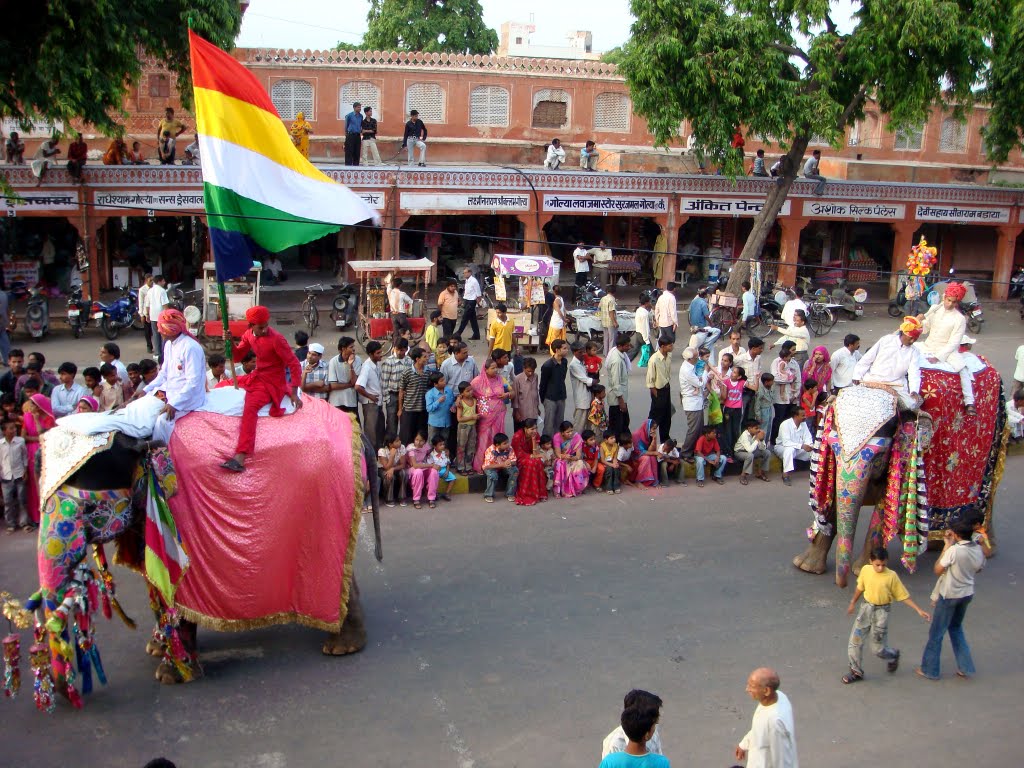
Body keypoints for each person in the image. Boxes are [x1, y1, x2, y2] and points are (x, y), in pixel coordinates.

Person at [220, 306, 302, 472]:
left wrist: (294, 392)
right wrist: (230, 342)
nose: (264, 329)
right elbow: (236, 357)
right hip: (257, 376)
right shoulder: (248, 335)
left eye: (266, 325)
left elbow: (294, 364)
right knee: (221, 385)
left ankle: (241, 456)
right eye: (260, 327)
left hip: (272, 383)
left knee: (249, 409)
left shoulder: (277, 339)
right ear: (251, 325)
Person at [843, 547, 930, 684]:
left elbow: (902, 596)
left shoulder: (891, 576)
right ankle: (856, 671)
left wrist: (918, 609)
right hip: (866, 609)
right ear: (871, 561)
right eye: (877, 565)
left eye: (883, 565)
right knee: (855, 642)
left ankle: (893, 655)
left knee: (877, 649)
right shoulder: (865, 570)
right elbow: (860, 587)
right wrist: (853, 602)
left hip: (881, 613)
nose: (880, 568)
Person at [917, 521, 986, 680]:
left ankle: (930, 669)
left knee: (936, 632)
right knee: (955, 628)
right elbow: (980, 567)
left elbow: (937, 569)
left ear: (956, 534)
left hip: (949, 595)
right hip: (967, 593)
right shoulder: (977, 548)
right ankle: (965, 667)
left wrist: (946, 546)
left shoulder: (954, 551)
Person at [139, 309, 207, 444]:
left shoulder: (190, 347)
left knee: (161, 421)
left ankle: (163, 454)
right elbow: (164, 373)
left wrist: (174, 404)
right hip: (172, 393)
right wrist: (146, 390)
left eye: (160, 328)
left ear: (170, 329)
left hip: (189, 399)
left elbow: (193, 382)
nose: (158, 331)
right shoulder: (169, 344)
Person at [916, 282, 975, 413]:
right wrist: (919, 322)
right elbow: (926, 329)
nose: (950, 304)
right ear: (944, 297)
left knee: (963, 369)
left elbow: (954, 342)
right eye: (949, 300)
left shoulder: (959, 319)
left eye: (954, 302)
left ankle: (969, 402)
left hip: (947, 351)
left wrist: (938, 357)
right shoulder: (935, 309)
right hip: (928, 345)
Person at [852, 318, 925, 410]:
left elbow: (914, 372)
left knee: (910, 406)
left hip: (896, 385)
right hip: (872, 380)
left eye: (915, 339)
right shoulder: (886, 340)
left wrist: (914, 391)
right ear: (903, 333)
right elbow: (867, 359)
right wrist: (857, 375)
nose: (912, 341)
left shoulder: (914, 351)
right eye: (911, 338)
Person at [736, 668, 798, 768]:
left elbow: (782, 758)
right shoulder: (779, 697)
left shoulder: (775, 721)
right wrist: (744, 744)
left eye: (752, 686)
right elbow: (759, 728)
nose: (747, 689)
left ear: (766, 691)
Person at [471, 358, 511, 474]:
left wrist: (507, 394)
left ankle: (497, 466)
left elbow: (512, 392)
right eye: (492, 368)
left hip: (499, 415)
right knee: (484, 440)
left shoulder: (501, 379)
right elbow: (467, 393)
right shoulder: (477, 382)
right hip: (485, 417)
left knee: (496, 439)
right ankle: (481, 465)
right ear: (485, 369)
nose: (495, 370)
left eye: (496, 368)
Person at [599, 703, 669, 768]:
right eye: (654, 725)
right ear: (647, 735)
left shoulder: (609, 762)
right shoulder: (661, 763)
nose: (655, 728)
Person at [22, 393, 56, 528]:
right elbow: (24, 436)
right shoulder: (26, 417)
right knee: (33, 484)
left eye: (33, 404)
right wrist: (39, 439)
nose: (31, 407)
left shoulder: (49, 418)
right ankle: (36, 516)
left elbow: (46, 435)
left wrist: (37, 421)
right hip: (31, 452)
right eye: (30, 404)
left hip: (47, 451)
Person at [398, 347, 431, 445]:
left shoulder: (428, 372)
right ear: (417, 359)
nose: (427, 358)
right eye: (424, 357)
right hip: (409, 409)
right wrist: (400, 409)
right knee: (407, 436)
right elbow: (401, 391)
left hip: (423, 410)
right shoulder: (407, 372)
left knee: (421, 435)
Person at [770, 342, 801, 443]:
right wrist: (790, 380)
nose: (795, 352)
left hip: (792, 398)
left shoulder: (794, 363)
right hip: (780, 398)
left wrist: (795, 395)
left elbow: (798, 380)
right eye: (793, 350)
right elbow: (776, 378)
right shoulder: (776, 362)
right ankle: (774, 441)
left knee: (789, 421)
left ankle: (787, 441)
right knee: (779, 419)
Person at [511, 418, 547, 505]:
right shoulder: (517, 436)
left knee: (537, 461)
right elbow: (518, 454)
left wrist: (534, 440)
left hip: (531, 455)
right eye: (532, 429)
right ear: (525, 429)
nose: (535, 431)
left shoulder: (536, 435)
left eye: (536, 428)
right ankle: (527, 493)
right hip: (519, 458)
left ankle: (539, 493)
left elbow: (536, 452)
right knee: (531, 463)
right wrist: (533, 456)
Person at [774, 406, 814, 486]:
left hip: (798, 449)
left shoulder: (803, 424)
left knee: (814, 452)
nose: (805, 417)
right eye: (802, 415)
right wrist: (802, 446)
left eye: (804, 415)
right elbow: (786, 442)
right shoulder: (785, 424)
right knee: (789, 450)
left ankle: (815, 474)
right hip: (782, 448)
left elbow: (808, 437)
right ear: (796, 416)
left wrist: (810, 446)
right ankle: (785, 475)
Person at [1, 418, 29, 532]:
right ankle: (11, 524)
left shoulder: (20, 441)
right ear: (4, 431)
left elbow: (24, 456)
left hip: (19, 474)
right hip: (6, 476)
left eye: (14, 428)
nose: (13, 430)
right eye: (10, 428)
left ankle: (24, 523)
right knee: (8, 502)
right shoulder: (0, 444)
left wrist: (25, 470)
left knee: (22, 500)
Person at [356, 341, 385, 448]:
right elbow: (358, 386)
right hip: (370, 404)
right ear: (371, 354)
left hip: (377, 403)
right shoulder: (367, 367)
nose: (381, 355)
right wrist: (370, 396)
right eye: (378, 353)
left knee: (379, 430)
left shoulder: (376, 365)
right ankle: (370, 458)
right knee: (371, 433)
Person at [603, 334, 632, 438]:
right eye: (627, 346)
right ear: (620, 346)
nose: (629, 347)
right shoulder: (617, 360)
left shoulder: (619, 354)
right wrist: (621, 401)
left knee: (624, 423)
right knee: (618, 426)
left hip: (620, 398)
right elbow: (616, 382)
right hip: (617, 400)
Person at [539, 340, 569, 439]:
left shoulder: (564, 362)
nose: (567, 350)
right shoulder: (548, 365)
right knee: (549, 425)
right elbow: (542, 385)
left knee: (559, 424)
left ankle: (557, 445)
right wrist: (544, 400)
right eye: (564, 348)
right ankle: (546, 446)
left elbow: (562, 379)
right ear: (557, 350)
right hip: (550, 398)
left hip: (561, 397)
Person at [646, 336, 673, 441]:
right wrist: (656, 395)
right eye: (670, 345)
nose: (672, 347)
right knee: (655, 417)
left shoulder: (669, 356)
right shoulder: (654, 359)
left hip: (667, 388)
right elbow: (650, 381)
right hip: (658, 390)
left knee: (666, 417)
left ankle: (665, 441)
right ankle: (648, 439)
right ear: (662, 346)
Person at [552, 421, 589, 498]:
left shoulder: (577, 437)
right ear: (562, 433)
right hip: (561, 458)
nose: (570, 433)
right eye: (567, 432)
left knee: (580, 463)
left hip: (573, 458)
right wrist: (565, 456)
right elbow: (558, 454)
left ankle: (577, 488)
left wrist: (571, 458)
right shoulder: (557, 437)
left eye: (571, 430)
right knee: (560, 463)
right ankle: (558, 490)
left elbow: (578, 456)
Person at [327, 336, 361, 416]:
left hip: (351, 401)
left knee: (353, 426)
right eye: (351, 347)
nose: (353, 349)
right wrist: (349, 385)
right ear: (343, 349)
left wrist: (351, 366)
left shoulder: (357, 360)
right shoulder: (333, 361)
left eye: (353, 347)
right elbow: (333, 385)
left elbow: (354, 382)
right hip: (336, 401)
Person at [482, 432, 517, 503]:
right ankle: (488, 495)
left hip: (504, 465)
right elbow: (488, 465)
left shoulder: (509, 448)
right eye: (505, 443)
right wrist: (502, 465)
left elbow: (514, 461)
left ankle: (510, 493)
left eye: (508, 442)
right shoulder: (490, 450)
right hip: (492, 466)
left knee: (515, 471)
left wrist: (510, 462)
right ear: (498, 445)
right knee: (493, 475)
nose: (508, 445)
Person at [406, 431, 438, 508]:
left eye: (421, 440)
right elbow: (415, 465)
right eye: (416, 439)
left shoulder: (426, 446)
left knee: (434, 472)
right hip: (413, 469)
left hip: (423, 466)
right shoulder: (411, 449)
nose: (418, 442)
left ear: (425, 441)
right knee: (418, 472)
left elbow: (429, 453)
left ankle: (431, 498)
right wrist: (431, 465)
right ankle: (416, 499)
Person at [568, 342, 595, 434]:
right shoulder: (574, 365)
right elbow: (587, 380)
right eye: (580, 352)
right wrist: (595, 381)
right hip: (581, 399)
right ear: (574, 353)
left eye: (584, 352)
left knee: (589, 425)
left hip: (588, 396)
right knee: (579, 426)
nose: (583, 354)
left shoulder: (583, 361)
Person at [721, 365, 746, 459]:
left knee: (734, 431)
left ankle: (734, 452)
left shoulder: (742, 383)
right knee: (729, 431)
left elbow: (755, 388)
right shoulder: (726, 382)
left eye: (735, 372)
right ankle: (729, 452)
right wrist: (722, 387)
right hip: (728, 409)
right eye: (733, 371)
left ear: (739, 376)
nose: (732, 373)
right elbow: (723, 397)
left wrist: (756, 377)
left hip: (737, 410)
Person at [735, 419, 770, 485]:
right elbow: (749, 450)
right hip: (740, 452)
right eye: (756, 428)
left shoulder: (756, 434)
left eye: (759, 428)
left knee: (767, 452)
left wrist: (761, 440)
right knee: (750, 455)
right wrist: (757, 439)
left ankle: (761, 473)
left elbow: (762, 448)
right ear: (749, 428)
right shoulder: (744, 435)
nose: (758, 430)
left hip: (751, 451)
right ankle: (743, 476)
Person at [377, 433, 407, 508]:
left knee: (403, 473)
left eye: (399, 440)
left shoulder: (402, 447)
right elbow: (386, 467)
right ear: (390, 444)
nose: (400, 442)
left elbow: (403, 465)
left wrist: (393, 469)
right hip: (382, 469)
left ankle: (402, 497)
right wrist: (392, 456)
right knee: (390, 476)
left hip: (395, 467)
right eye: (397, 441)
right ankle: (388, 499)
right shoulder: (382, 450)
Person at [511, 357, 540, 432]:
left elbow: (536, 392)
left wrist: (537, 407)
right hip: (522, 412)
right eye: (528, 371)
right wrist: (516, 411)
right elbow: (515, 397)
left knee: (532, 433)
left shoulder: (536, 376)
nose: (530, 373)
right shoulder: (517, 379)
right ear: (524, 368)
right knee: (520, 434)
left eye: (532, 371)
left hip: (533, 412)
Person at [454, 381, 478, 473]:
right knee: (461, 447)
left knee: (471, 447)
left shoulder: (475, 400)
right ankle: (460, 467)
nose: (471, 392)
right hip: (463, 427)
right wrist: (472, 417)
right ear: (461, 393)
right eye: (467, 391)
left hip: (473, 426)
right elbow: (459, 419)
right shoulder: (461, 403)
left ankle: (468, 466)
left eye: (471, 390)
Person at [425, 371, 454, 444]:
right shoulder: (430, 394)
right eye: (441, 381)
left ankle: (442, 455)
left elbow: (452, 402)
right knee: (432, 442)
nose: (444, 382)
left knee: (444, 443)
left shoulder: (449, 391)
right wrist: (438, 401)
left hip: (446, 422)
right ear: (435, 384)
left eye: (444, 379)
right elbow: (429, 408)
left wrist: (454, 406)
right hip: (435, 424)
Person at [145, 275, 170, 361]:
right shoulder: (162, 291)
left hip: (153, 316)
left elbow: (147, 305)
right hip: (161, 316)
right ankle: (164, 353)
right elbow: (165, 305)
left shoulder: (149, 291)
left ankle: (157, 353)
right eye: (163, 281)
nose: (164, 283)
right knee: (164, 335)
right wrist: (168, 316)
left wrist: (147, 315)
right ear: (159, 282)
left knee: (155, 335)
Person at [630, 420, 661, 487]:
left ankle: (654, 481)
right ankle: (638, 481)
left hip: (645, 454)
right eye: (653, 428)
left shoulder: (649, 435)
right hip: (636, 456)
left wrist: (654, 439)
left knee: (652, 457)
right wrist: (654, 453)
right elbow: (640, 452)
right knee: (646, 458)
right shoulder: (636, 435)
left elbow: (651, 450)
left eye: (655, 429)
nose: (653, 431)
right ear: (648, 427)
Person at [455, 267, 482, 340]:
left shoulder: (474, 281)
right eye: (464, 273)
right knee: (473, 319)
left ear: (470, 273)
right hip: (467, 300)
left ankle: (458, 333)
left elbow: (478, 292)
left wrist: (478, 301)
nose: (464, 274)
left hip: (471, 301)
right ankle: (476, 335)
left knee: (465, 318)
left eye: (465, 273)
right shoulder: (467, 281)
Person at [388, 277, 414, 344]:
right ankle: (405, 340)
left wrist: (394, 273)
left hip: (393, 316)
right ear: (400, 285)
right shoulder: (402, 294)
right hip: (401, 315)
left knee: (396, 333)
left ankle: (395, 346)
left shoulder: (389, 292)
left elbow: (389, 284)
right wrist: (413, 296)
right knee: (408, 329)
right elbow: (411, 301)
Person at [630, 292, 654, 362]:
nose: (650, 303)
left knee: (635, 350)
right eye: (649, 302)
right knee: (652, 353)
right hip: (643, 335)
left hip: (638, 333)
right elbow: (645, 327)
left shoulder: (639, 310)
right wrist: (646, 340)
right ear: (646, 303)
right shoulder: (644, 313)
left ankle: (627, 360)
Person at [598, 284, 619, 357]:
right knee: (612, 339)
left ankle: (605, 353)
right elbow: (611, 312)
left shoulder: (603, 298)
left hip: (604, 321)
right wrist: (615, 322)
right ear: (614, 292)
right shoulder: (612, 299)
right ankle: (611, 354)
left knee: (606, 338)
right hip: (610, 322)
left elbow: (599, 307)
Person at [544, 285, 567, 350]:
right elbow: (564, 310)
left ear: (554, 291)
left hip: (555, 323)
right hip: (560, 323)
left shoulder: (556, 301)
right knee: (560, 340)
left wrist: (564, 319)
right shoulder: (561, 299)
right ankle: (560, 351)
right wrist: (564, 320)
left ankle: (554, 353)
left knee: (553, 341)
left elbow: (559, 312)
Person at [343, 101, 363, 166]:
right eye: (358, 107)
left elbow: (360, 126)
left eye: (360, 107)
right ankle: (348, 167)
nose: (360, 109)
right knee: (349, 152)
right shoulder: (349, 116)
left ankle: (356, 167)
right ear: (354, 108)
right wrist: (346, 135)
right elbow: (346, 126)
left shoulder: (361, 116)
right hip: (350, 135)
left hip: (357, 136)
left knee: (357, 152)